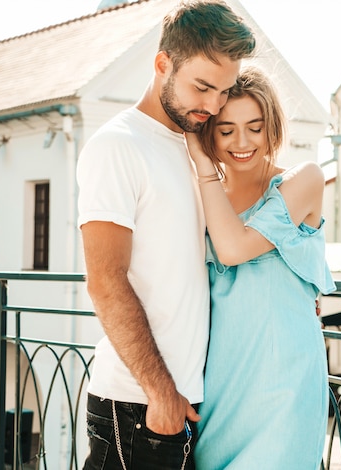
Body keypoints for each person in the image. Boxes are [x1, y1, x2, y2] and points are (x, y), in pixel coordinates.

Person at [76, 1, 255, 468]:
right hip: (140, 407)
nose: (213, 105)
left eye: (224, 91)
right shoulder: (118, 145)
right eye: (202, 87)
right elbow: (105, 281)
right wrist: (161, 395)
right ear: (162, 64)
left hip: (185, 404)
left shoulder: (194, 146)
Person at [185, 66, 336, 469]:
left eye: (255, 127)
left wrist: (200, 162)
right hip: (218, 382)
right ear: (210, 133)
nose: (242, 142)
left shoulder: (303, 179)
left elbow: (234, 249)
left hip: (283, 380)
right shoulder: (202, 197)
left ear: (272, 127)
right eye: (226, 129)